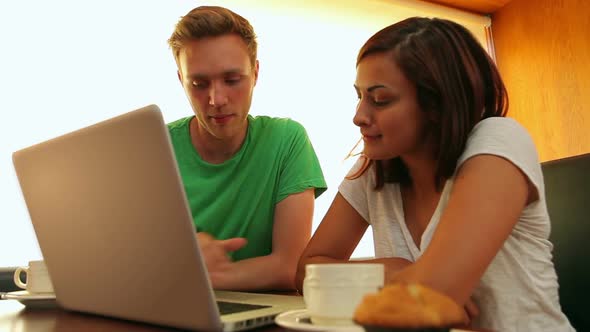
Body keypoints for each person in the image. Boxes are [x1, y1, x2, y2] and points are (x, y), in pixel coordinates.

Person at [295, 17, 573, 331]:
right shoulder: (376, 169)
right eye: (359, 96)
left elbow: (427, 298)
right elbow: (307, 271)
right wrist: (397, 272)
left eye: (380, 100)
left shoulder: (500, 139)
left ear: (437, 103)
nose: (359, 116)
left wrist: (415, 290)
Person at [166, 6, 327, 291]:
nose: (216, 99)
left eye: (231, 80)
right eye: (199, 84)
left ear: (255, 72)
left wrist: (194, 272)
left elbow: (290, 267)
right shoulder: (157, 148)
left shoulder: (286, 140)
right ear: (181, 80)